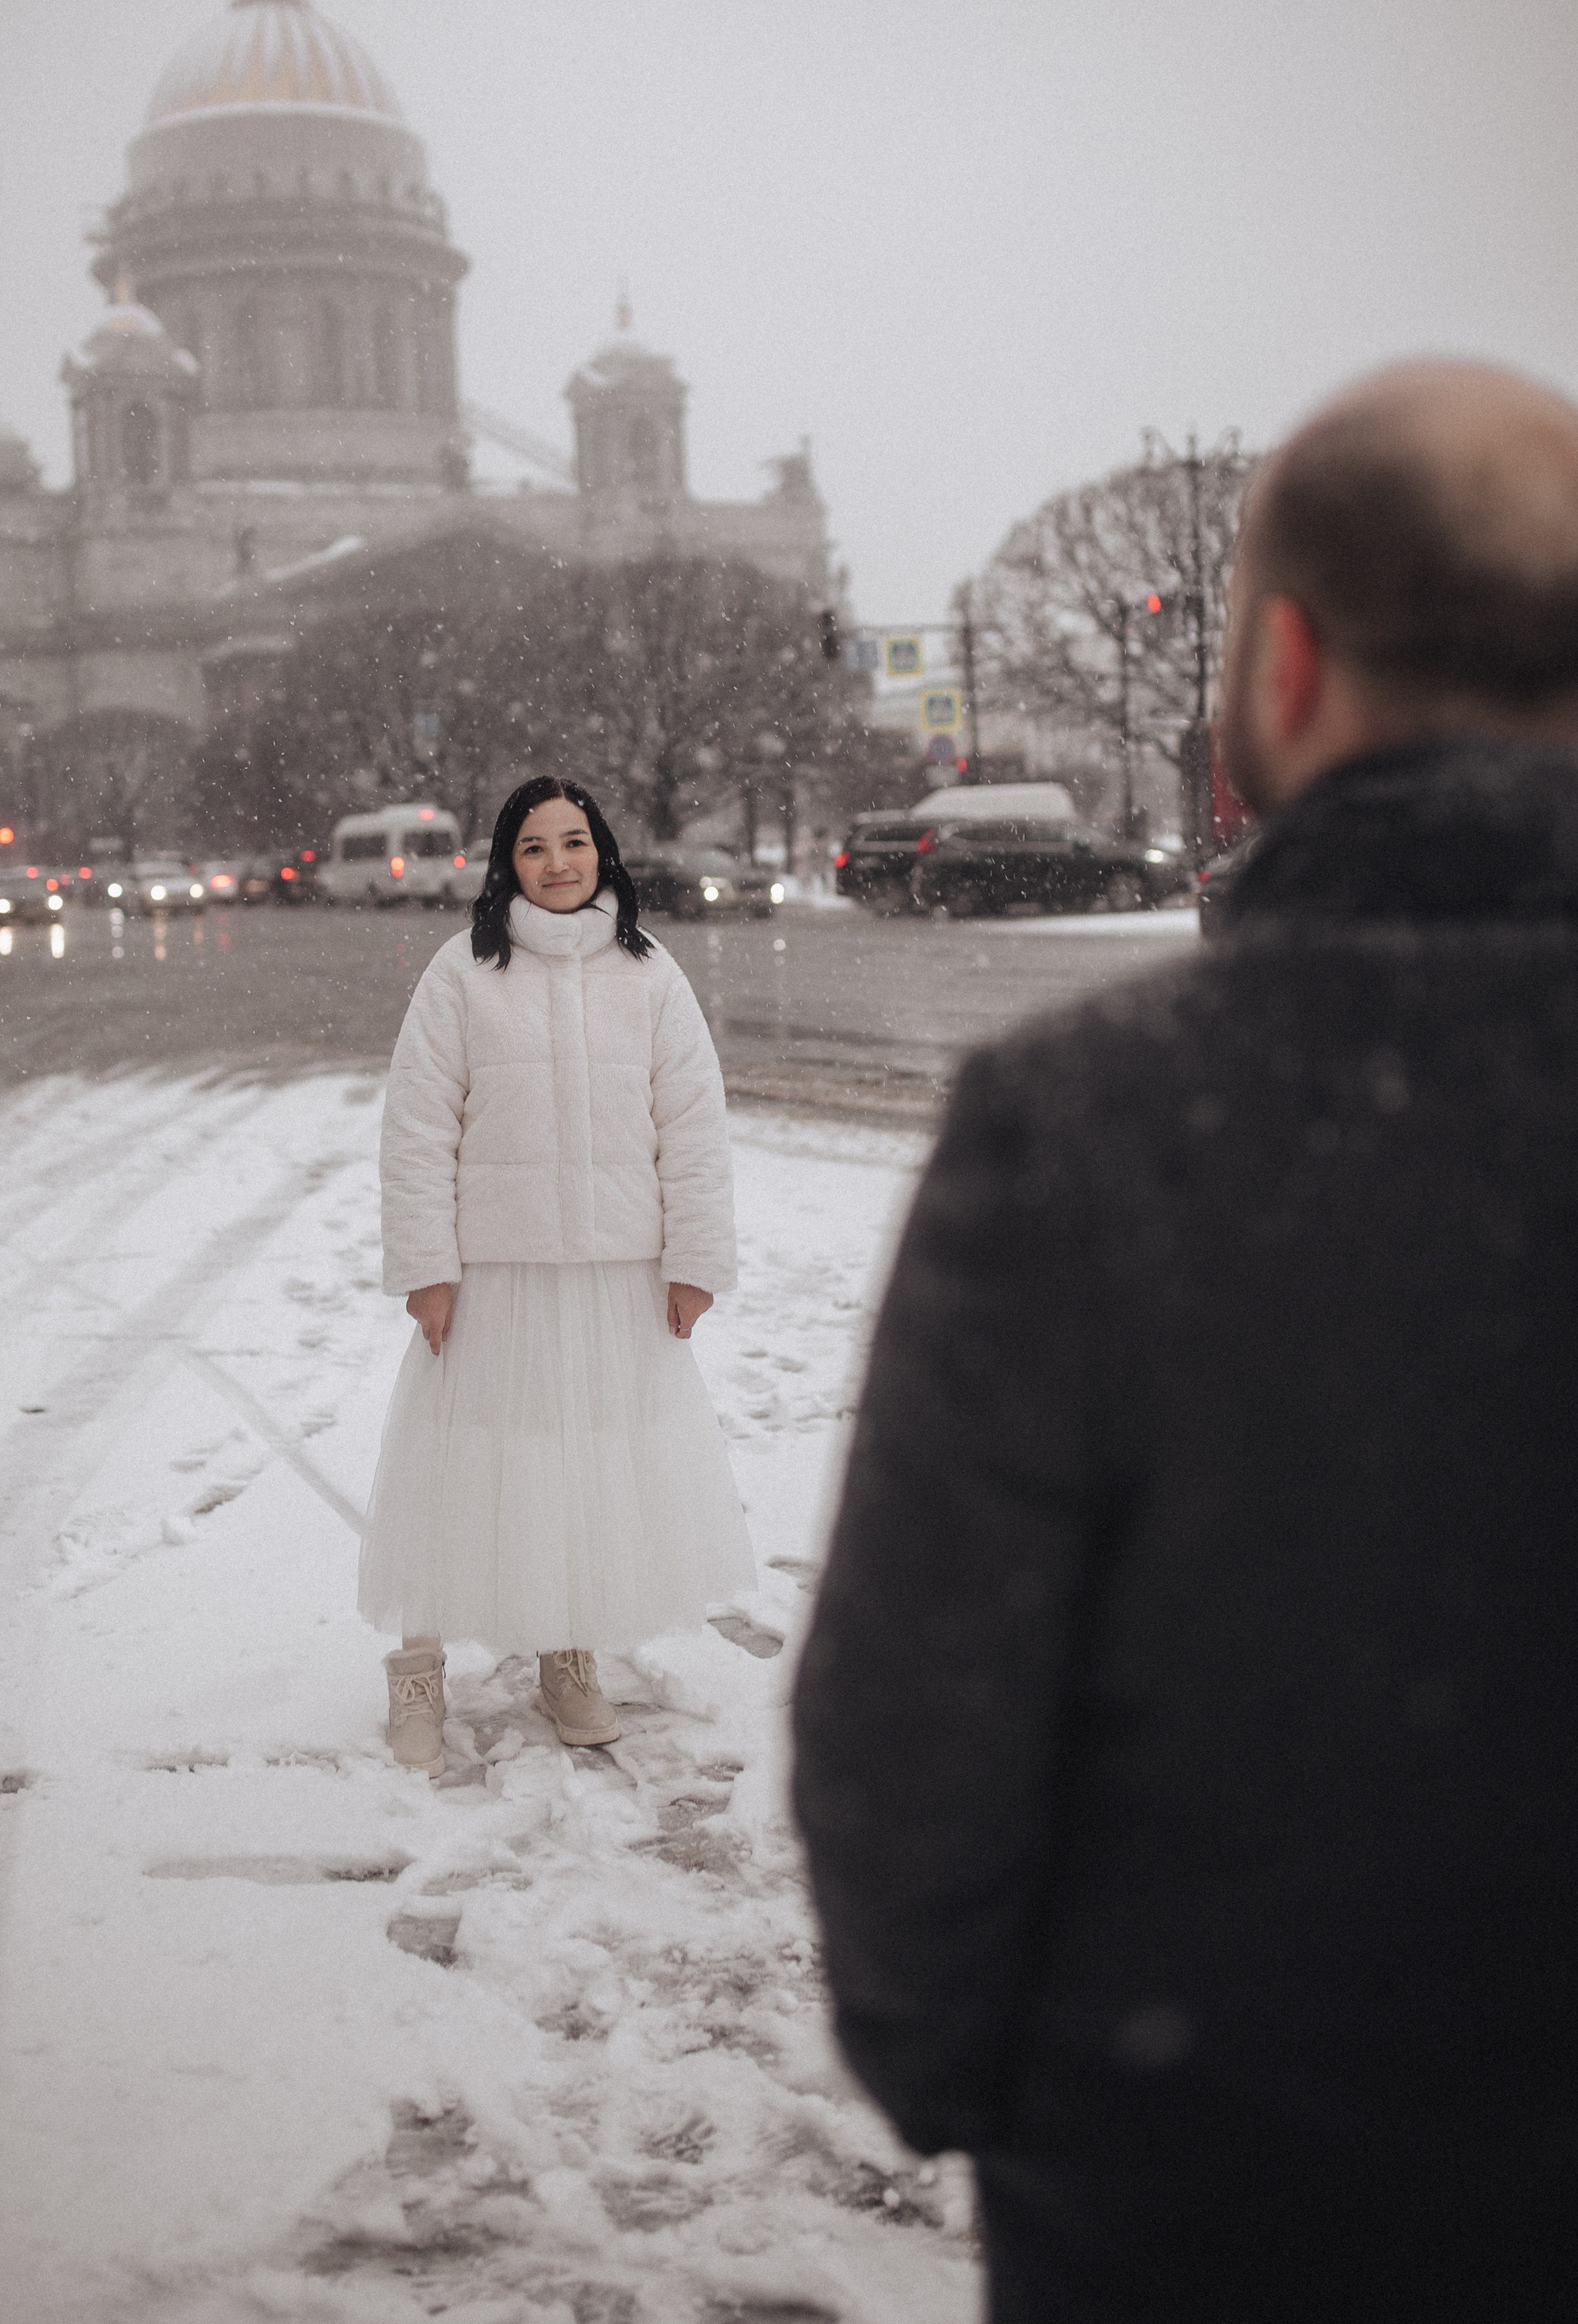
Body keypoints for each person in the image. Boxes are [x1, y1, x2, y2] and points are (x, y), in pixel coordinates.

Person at [791, 360, 1578, 2320]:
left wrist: (1008, 2096)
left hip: (1213, 2198)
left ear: (1286, 670)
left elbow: (916, 1738)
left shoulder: (1084, 1128)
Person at [360, 773, 754, 1775]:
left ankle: (564, 1652)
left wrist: (695, 1261)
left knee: (575, 1467)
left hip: (617, 1271)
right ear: (509, 865)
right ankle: (418, 1668)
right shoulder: (462, 973)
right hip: (493, 1273)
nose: (559, 863)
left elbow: (695, 1129)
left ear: (602, 851)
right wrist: (427, 1270)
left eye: (574, 842)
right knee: (462, 1463)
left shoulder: (651, 973)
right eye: (535, 847)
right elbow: (416, 1130)